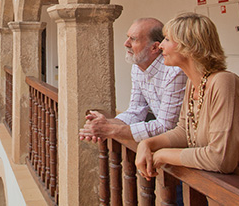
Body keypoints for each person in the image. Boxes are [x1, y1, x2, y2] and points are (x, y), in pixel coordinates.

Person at [135, 13, 239, 201]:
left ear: (189, 46)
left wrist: (163, 155)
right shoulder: (194, 84)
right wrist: (148, 144)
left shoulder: (224, 83)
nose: (161, 45)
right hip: (226, 194)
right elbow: (184, 132)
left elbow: (220, 158)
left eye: (168, 39)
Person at [79, 17, 186, 150]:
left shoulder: (174, 72)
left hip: (187, 146)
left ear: (154, 47)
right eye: (127, 37)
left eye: (133, 39)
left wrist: (110, 130)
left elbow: (166, 126)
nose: (126, 43)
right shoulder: (138, 67)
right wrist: (104, 124)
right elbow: (136, 110)